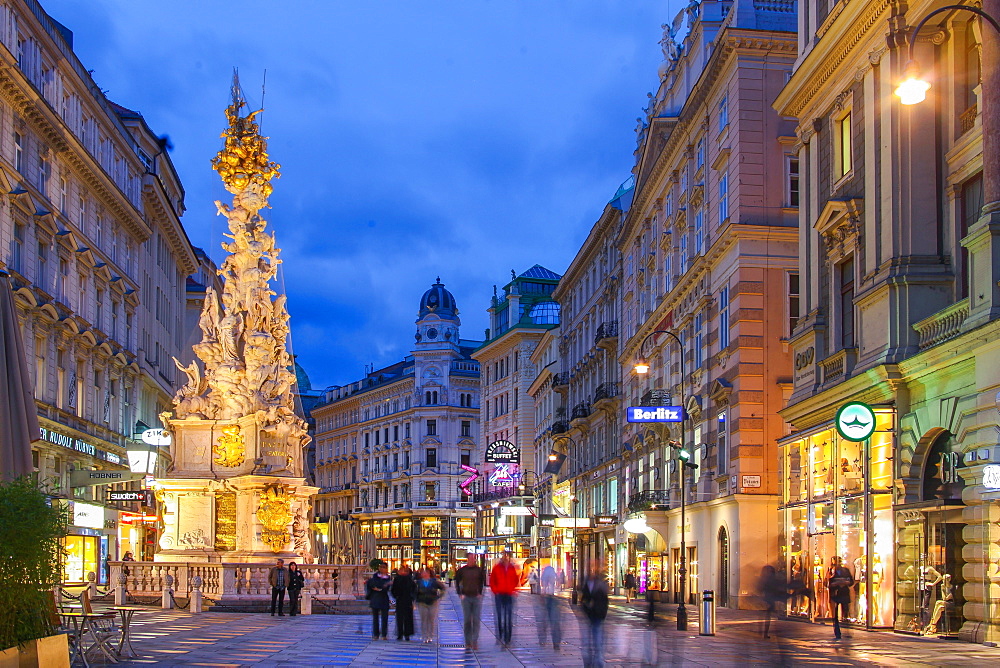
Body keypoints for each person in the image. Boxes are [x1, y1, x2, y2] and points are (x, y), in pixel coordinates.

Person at [455, 553, 487, 650]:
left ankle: (474, 641)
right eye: (470, 558)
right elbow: (457, 581)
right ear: (467, 559)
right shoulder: (462, 571)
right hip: (466, 597)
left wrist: (480, 593)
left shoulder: (479, 570)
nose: (472, 560)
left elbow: (482, 582)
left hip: (476, 597)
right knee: (467, 620)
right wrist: (460, 593)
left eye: (473, 558)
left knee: (476, 619)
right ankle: (468, 641)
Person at [581, 560, 609, 667]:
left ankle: (599, 662)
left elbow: (605, 600)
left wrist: (602, 613)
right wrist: (585, 608)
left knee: (597, 640)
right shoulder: (586, 583)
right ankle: (589, 662)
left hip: (598, 615)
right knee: (588, 642)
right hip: (589, 616)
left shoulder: (600, 583)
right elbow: (584, 599)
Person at [489, 551, 519, 646]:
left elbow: (515, 579)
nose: (505, 558)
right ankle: (500, 635)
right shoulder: (497, 568)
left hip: (509, 594)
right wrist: (495, 590)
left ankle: (507, 637)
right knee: (500, 616)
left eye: (507, 556)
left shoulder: (511, 568)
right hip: (499, 594)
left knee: (508, 616)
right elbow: (492, 580)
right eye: (504, 556)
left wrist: (512, 589)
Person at [415, 566, 446, 643]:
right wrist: (415, 600)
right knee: (423, 619)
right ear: (421, 574)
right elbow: (414, 592)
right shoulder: (418, 582)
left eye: (426, 573)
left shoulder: (434, 581)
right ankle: (424, 635)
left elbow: (443, 588)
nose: (425, 574)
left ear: (429, 574)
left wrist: (439, 596)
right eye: (423, 573)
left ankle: (430, 635)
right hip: (422, 602)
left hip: (432, 602)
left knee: (431, 620)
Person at [826, 556, 854, 640]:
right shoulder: (830, 571)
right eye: (834, 562)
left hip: (844, 593)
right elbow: (827, 582)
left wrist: (846, 583)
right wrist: (833, 584)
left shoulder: (845, 570)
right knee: (835, 615)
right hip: (835, 594)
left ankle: (846, 630)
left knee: (845, 612)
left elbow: (851, 581)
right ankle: (837, 632)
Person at [758, 564, 788, 638]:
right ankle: (765, 633)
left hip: (765, 599)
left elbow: (760, 589)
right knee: (767, 617)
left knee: (763, 617)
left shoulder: (762, 579)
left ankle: (761, 632)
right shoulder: (773, 580)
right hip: (770, 600)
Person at [365, 561, 393, 640]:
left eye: (384, 567)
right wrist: (381, 587)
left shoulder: (388, 578)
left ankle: (384, 634)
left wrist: (380, 588)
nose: (382, 569)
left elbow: (385, 588)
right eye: (381, 567)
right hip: (375, 599)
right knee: (375, 618)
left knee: (385, 618)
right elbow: (371, 585)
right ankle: (375, 634)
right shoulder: (375, 577)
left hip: (384, 599)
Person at [538, 564, 562, 650]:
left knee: (544, 621)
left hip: (547, 598)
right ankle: (556, 642)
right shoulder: (554, 575)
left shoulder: (544, 576)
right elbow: (558, 585)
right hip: (553, 599)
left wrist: (542, 595)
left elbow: (543, 586)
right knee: (555, 622)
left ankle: (543, 639)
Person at [391, 565, 416, 640]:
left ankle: (406, 633)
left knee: (407, 617)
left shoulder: (409, 580)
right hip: (401, 600)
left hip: (407, 600)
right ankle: (400, 633)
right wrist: (396, 596)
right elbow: (393, 589)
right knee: (400, 617)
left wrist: (412, 598)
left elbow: (414, 590)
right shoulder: (398, 579)